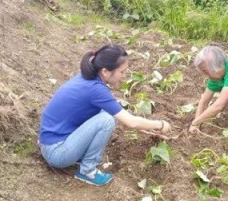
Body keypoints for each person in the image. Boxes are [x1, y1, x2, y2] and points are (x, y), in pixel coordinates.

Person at [39, 44, 172, 186]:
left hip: (50, 141)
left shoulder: (87, 78)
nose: (124, 76)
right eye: (122, 72)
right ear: (105, 71)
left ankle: (82, 156)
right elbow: (131, 122)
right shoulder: (96, 90)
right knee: (106, 120)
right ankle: (87, 171)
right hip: (56, 153)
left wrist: (149, 130)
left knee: (106, 112)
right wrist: (161, 125)